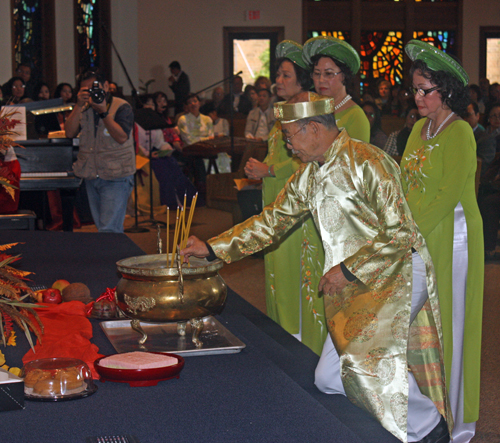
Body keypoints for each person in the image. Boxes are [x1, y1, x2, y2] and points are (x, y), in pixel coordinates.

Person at [181, 93, 452, 443]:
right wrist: (212, 247)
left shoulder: (368, 160)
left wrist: (347, 270)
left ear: (313, 128)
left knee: (365, 363)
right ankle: (400, 418)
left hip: (397, 272)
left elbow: (400, 232)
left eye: (289, 135)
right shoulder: (309, 176)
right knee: (329, 378)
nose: (288, 144)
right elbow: (271, 223)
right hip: (353, 281)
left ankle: (429, 430)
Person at [401, 40, 484, 443]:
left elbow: (449, 193)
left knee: (448, 321)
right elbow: (404, 184)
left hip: (454, 237)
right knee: (416, 323)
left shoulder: (461, 132)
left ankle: (456, 421)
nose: (418, 97)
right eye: (415, 89)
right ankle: (423, 412)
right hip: (418, 232)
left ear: (445, 91)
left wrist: (407, 233)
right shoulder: (418, 128)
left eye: (425, 90)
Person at [243, 40, 326, 355]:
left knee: (296, 279)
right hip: (277, 201)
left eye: (285, 76)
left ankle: (301, 347)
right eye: (278, 75)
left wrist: (270, 169)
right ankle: (284, 343)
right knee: (276, 273)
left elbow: (308, 159)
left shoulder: (308, 115)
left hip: (296, 210)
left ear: (302, 82)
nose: (278, 81)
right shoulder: (284, 114)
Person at [65, 70, 135, 233]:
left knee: (109, 229)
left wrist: (104, 112)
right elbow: (69, 132)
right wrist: (78, 105)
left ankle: (112, 258)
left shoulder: (122, 106)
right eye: (86, 90)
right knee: (103, 227)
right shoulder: (84, 108)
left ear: (106, 86)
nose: (92, 93)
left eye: (94, 88)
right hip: (91, 174)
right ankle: (113, 256)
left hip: (116, 175)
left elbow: (121, 136)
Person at [302, 35, 370, 143]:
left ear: (343, 76)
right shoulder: (310, 109)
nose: (321, 80)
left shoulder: (356, 116)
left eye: (328, 74)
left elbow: (357, 158)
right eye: (317, 73)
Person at [177, 93, 214, 191]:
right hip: (190, 151)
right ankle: (202, 188)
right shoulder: (183, 119)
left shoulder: (207, 119)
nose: (193, 104)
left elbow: (211, 137)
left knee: (221, 157)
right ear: (186, 106)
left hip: (207, 149)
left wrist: (202, 140)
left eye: (195, 101)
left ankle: (218, 186)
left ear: (200, 103)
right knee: (197, 160)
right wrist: (204, 139)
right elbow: (189, 140)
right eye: (189, 103)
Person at [463, 101, 495, 176]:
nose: (464, 119)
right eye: (462, 115)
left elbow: (482, 165)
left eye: (468, 115)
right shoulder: (455, 134)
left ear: (477, 116)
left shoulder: (486, 138)